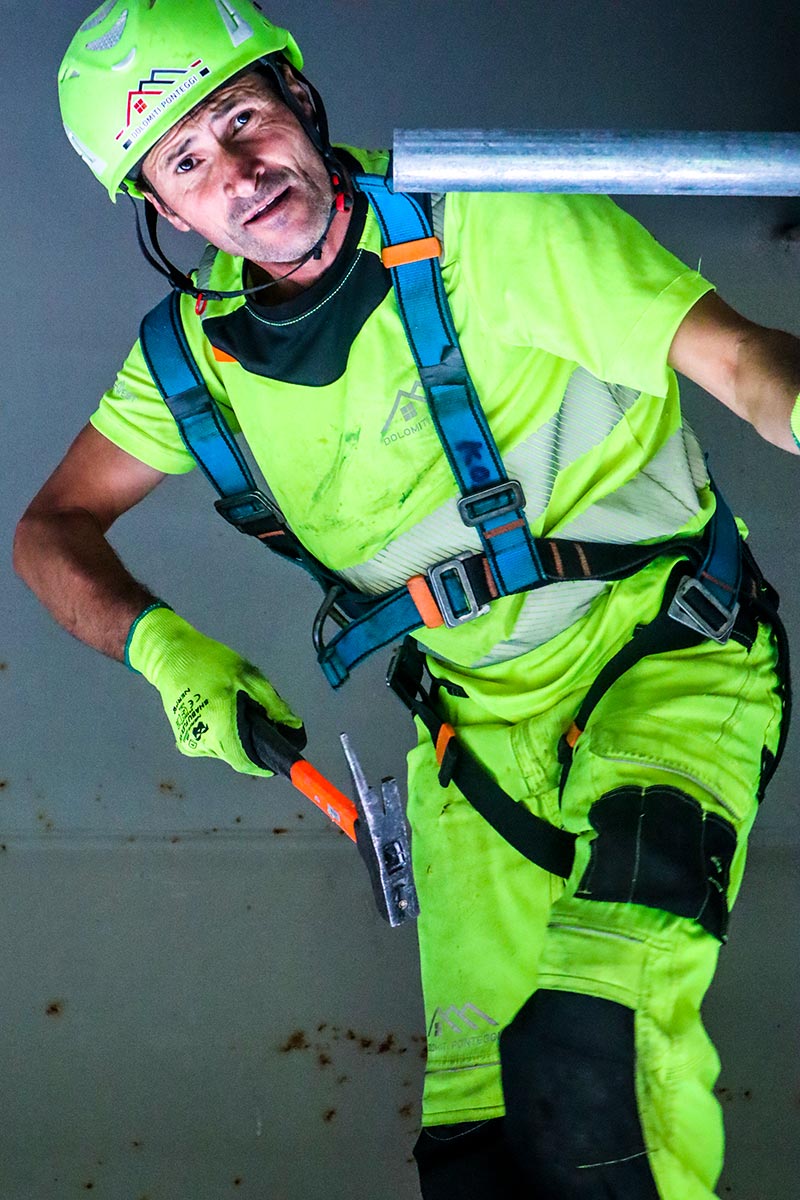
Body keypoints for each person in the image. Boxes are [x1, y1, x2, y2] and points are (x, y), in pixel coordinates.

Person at [14, 1, 799, 1196]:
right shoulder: (188, 364)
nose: (238, 172)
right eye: (186, 161)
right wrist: (167, 656)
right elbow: (49, 533)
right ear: (164, 210)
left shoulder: (489, 224)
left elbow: (740, 362)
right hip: (469, 747)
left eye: (242, 116)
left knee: (594, 1055)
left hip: (663, 662)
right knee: (480, 1153)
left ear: (297, 98)